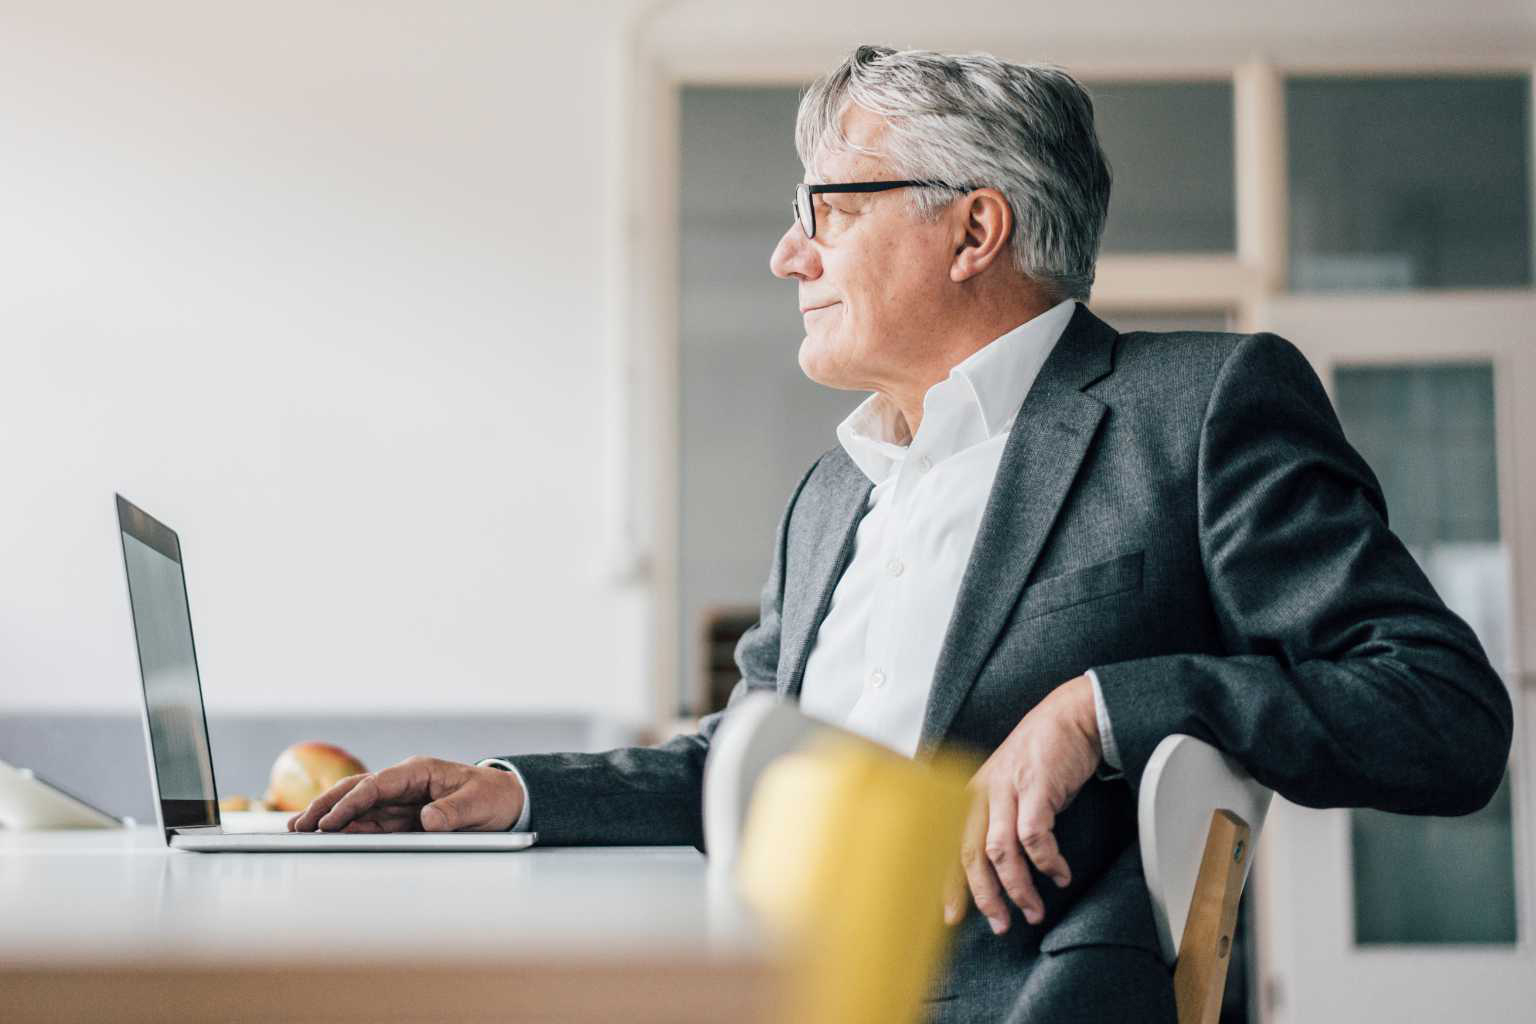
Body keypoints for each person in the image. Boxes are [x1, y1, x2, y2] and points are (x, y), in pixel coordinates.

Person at [290, 45, 1513, 1023]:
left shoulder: (1196, 407)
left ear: (974, 232)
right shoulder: (832, 489)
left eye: (824, 207)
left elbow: (1443, 715)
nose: (786, 254)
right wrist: (502, 791)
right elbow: (743, 762)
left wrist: (1101, 705)